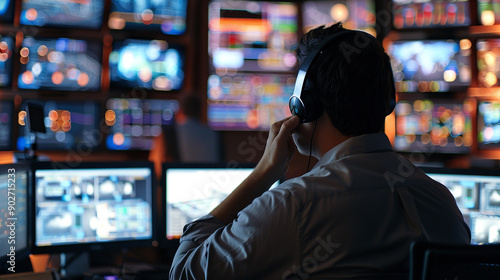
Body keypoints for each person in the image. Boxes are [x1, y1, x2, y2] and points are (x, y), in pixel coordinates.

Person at [169, 23, 470, 280]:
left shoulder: (293, 205)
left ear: (305, 105)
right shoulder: (442, 203)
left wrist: (263, 174)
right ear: (388, 102)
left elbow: (183, 270)